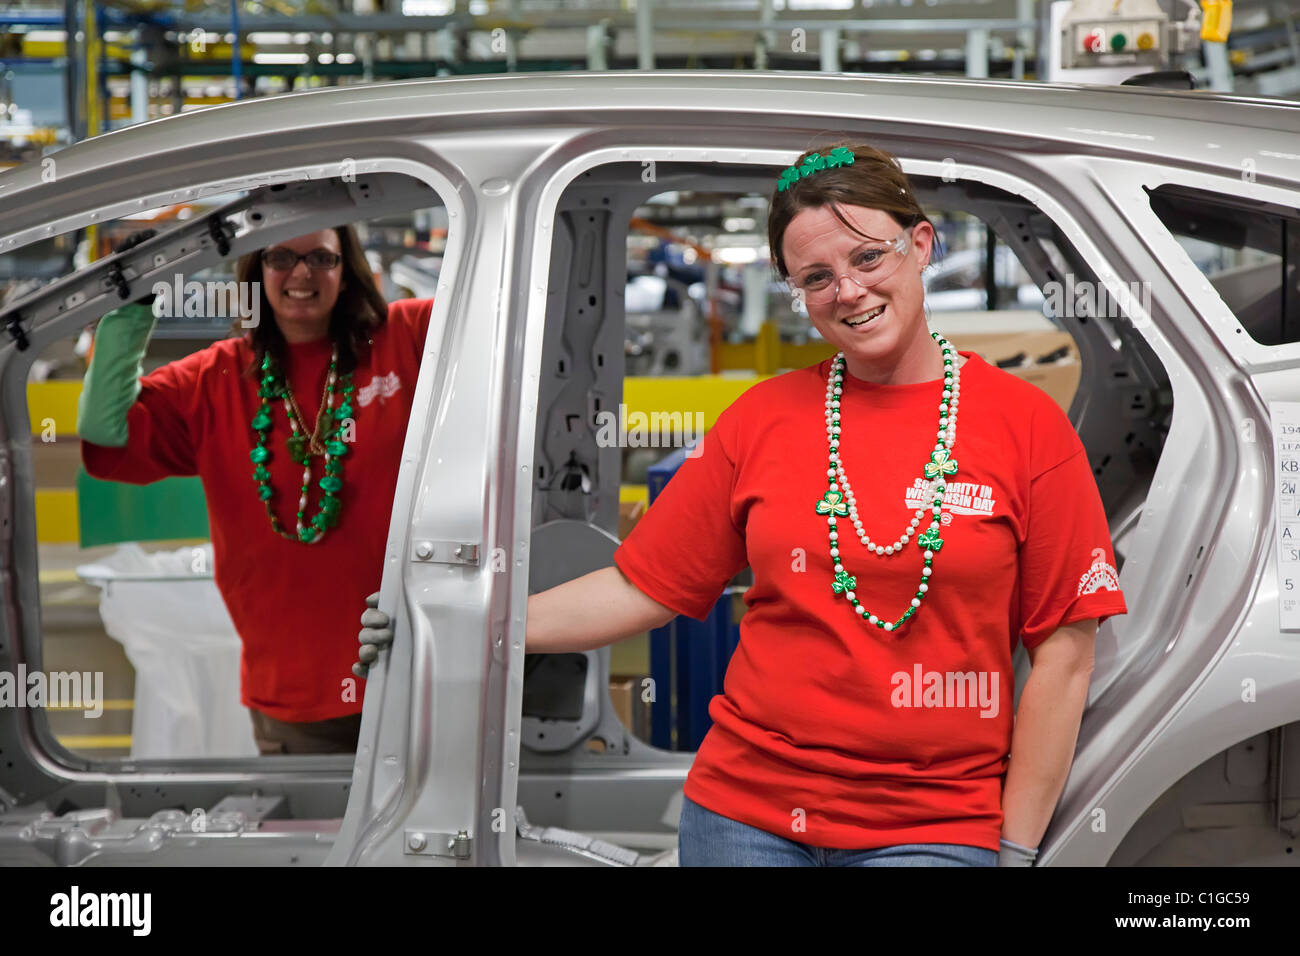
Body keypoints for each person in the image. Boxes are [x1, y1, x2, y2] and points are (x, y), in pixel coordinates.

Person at [356, 142, 1128, 866]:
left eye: (867, 257)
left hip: (932, 822)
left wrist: (1020, 848)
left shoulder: (1025, 428)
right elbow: (642, 586)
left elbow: (1065, 653)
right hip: (745, 816)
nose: (848, 291)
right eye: (816, 277)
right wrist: (469, 625)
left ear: (920, 246)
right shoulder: (763, 419)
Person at [79, 224, 433, 755]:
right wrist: (134, 307)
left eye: (321, 257)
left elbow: (501, 315)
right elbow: (107, 431)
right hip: (292, 699)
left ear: (349, 269)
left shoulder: (403, 336)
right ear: (255, 270)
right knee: (311, 838)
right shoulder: (214, 378)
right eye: (280, 257)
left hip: (419, 676)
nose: (301, 272)